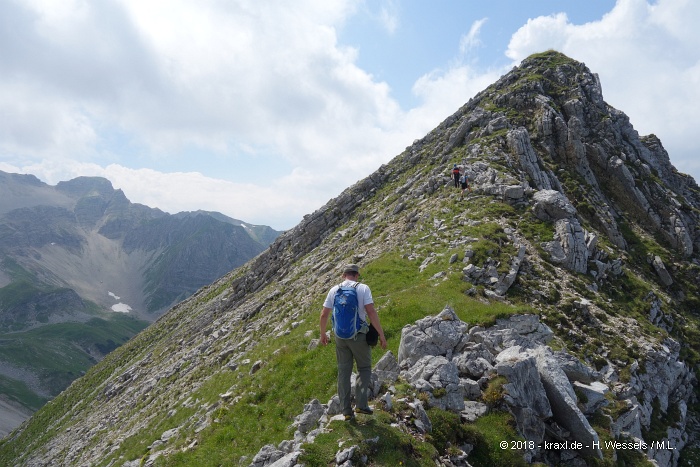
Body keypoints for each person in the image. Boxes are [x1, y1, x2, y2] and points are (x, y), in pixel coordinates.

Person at [320, 264, 387, 420]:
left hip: (340, 337)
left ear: (344, 275)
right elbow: (370, 311)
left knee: (344, 371)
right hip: (358, 337)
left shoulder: (334, 290)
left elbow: (324, 315)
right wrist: (381, 335)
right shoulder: (363, 288)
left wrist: (323, 334)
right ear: (357, 275)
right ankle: (361, 406)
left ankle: (346, 410)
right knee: (363, 368)